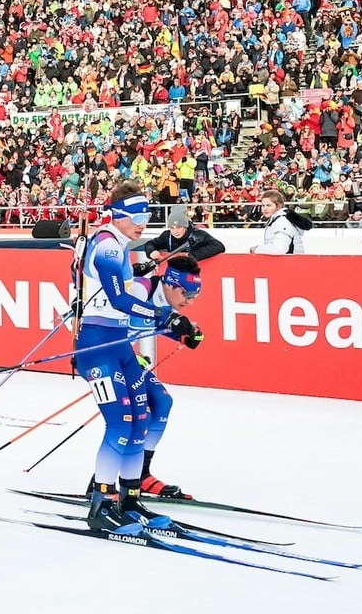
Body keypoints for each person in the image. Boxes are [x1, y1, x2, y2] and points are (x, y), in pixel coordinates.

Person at [76, 236, 204, 533]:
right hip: (106, 354)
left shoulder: (167, 298)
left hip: (126, 358)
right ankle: (102, 487)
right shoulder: (141, 289)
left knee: (159, 404)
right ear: (170, 284)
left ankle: (136, 481)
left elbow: (158, 324)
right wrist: (169, 321)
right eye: (187, 293)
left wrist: (184, 334)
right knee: (123, 420)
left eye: (195, 296)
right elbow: (123, 313)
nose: (189, 301)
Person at [136, 205, 225, 266]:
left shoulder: (198, 235)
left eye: (179, 227)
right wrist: (151, 252)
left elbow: (218, 246)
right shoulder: (167, 236)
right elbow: (149, 244)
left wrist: (190, 256)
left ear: (185, 226)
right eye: (172, 227)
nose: (175, 231)